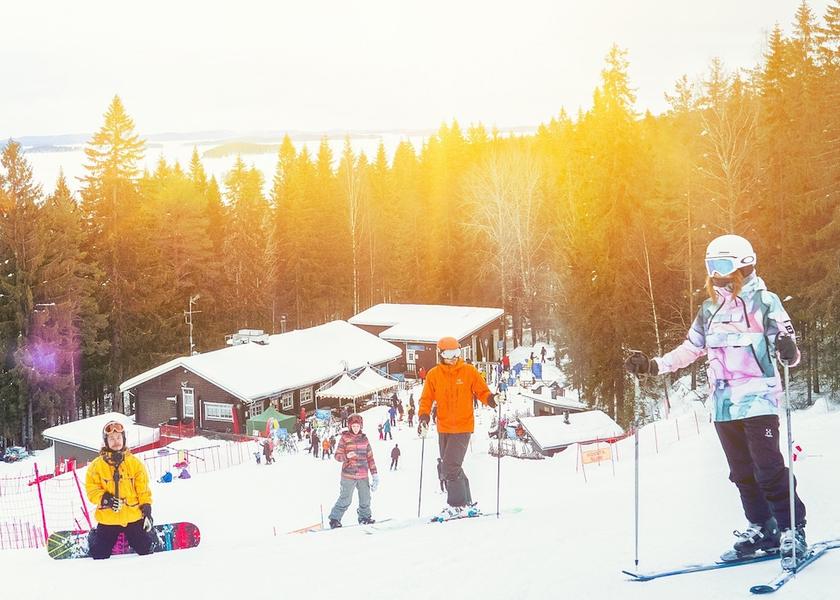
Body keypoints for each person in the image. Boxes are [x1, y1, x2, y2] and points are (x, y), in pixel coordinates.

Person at [624, 234, 807, 565]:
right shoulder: (708, 310)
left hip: (758, 398)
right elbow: (692, 348)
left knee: (767, 468)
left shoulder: (766, 302)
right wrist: (654, 365)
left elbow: (789, 350)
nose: (716, 275)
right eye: (711, 266)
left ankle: (792, 528)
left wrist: (787, 349)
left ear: (742, 265)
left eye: (722, 266)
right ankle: (761, 527)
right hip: (723, 403)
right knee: (741, 472)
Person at [419, 336, 498, 520]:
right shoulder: (433, 374)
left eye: (456, 353)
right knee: (453, 466)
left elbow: (482, 391)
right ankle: (467, 502)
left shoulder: (468, 371)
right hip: (444, 427)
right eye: (449, 353)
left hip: (462, 426)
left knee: (449, 467)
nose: (454, 357)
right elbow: (426, 399)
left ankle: (456, 505)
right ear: (440, 354)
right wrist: (423, 418)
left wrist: (493, 400)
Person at [85, 420, 154, 559]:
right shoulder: (96, 466)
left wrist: (146, 509)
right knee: (99, 554)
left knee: (145, 549)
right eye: (111, 438)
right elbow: (92, 490)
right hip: (108, 518)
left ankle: (150, 534)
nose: (116, 442)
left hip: (132, 516)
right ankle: (94, 535)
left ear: (124, 439)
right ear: (106, 441)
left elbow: (143, 489)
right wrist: (106, 500)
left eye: (118, 438)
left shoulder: (134, 463)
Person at [328, 414, 379, 528]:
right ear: (350, 426)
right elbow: (337, 456)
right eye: (354, 426)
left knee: (365, 498)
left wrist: (374, 475)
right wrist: (346, 456)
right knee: (346, 498)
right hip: (348, 475)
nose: (356, 428)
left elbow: (370, 458)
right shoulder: (345, 438)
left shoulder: (365, 440)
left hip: (363, 474)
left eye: (358, 426)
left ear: (361, 426)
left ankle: (364, 517)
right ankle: (335, 519)